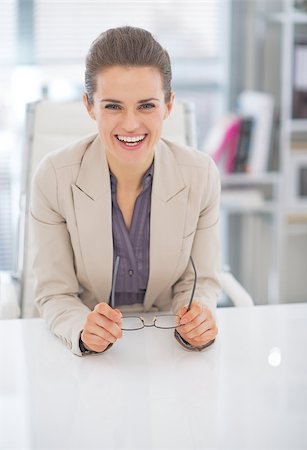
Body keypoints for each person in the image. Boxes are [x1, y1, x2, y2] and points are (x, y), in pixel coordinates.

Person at [31, 26, 221, 356]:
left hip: (168, 350)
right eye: (113, 106)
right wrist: (82, 329)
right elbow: (54, 293)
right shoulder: (53, 177)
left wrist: (197, 317)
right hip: (88, 358)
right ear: (90, 107)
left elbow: (199, 281)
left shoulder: (200, 174)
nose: (131, 124)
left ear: (168, 105)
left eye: (146, 106)